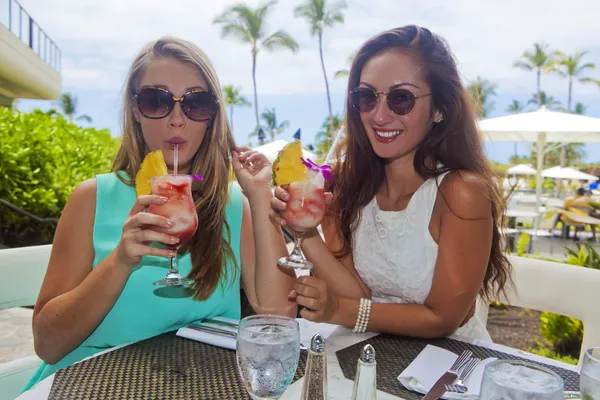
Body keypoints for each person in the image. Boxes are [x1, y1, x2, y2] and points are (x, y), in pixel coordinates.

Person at [24, 36, 296, 390]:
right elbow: (47, 344)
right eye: (157, 100)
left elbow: (279, 318)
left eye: (196, 103)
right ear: (135, 110)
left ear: (211, 115)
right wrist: (121, 260)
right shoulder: (93, 198)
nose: (177, 120)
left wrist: (259, 195)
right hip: (88, 386)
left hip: (201, 386)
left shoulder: (231, 204)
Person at [271, 26, 512, 341]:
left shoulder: (461, 192)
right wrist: (306, 232)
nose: (379, 116)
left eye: (401, 99)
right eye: (366, 97)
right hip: (371, 350)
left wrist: (337, 311)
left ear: (439, 108)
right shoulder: (346, 184)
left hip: (450, 366)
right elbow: (357, 294)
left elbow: (442, 319)